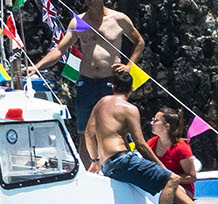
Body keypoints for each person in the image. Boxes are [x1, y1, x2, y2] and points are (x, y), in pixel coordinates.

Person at [23, 0, 145, 153]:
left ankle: (121, 170)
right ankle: (88, 172)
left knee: (116, 131)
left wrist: (129, 66)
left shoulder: (118, 19)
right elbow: (60, 49)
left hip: (110, 82)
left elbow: (139, 42)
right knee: (85, 133)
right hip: (86, 84)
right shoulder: (79, 22)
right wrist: (36, 67)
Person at [84, 71, 191, 204]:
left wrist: (95, 160)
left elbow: (88, 134)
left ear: (112, 87)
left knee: (168, 182)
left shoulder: (101, 103)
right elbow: (140, 144)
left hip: (107, 165)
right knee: (172, 178)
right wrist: (163, 168)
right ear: (132, 89)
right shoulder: (130, 109)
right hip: (122, 160)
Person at [147, 107, 218, 204]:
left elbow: (191, 177)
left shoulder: (181, 148)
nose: (152, 123)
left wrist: (169, 178)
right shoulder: (151, 143)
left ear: (167, 126)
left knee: (171, 186)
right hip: (159, 185)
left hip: (182, 189)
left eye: (156, 120)